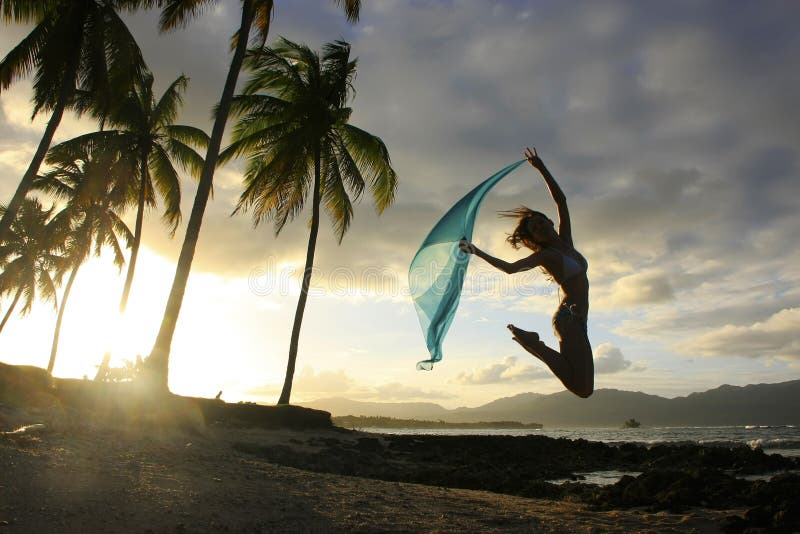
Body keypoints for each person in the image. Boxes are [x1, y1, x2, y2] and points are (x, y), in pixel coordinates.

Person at [459, 147, 593, 398]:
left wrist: (541, 168)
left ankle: (532, 343)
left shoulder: (567, 243)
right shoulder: (547, 256)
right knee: (583, 389)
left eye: (541, 221)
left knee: (583, 386)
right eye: (534, 228)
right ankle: (533, 343)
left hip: (579, 320)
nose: (540, 227)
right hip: (568, 319)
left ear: (550, 222)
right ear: (534, 237)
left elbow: (561, 201)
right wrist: (476, 251)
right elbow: (510, 269)